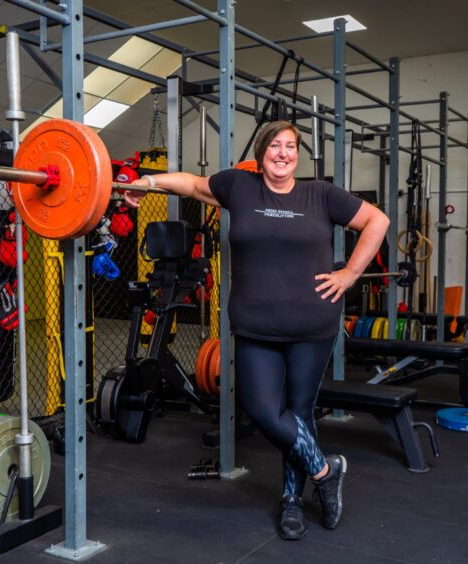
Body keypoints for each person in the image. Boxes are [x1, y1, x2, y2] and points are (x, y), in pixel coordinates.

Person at [123, 120, 390, 540]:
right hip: (255, 325)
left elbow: (377, 221)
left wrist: (350, 273)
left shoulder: (321, 195)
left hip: (312, 324)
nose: (283, 153)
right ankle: (326, 470)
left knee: (300, 412)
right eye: (275, 146)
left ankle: (291, 501)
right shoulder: (238, 187)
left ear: (296, 154)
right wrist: (147, 180)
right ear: (262, 151)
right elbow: (192, 185)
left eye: (291, 147)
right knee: (265, 409)